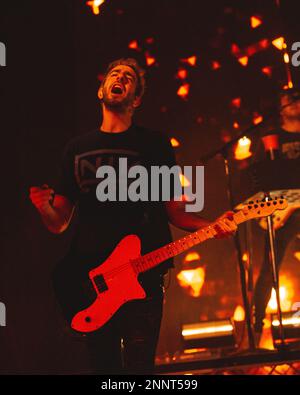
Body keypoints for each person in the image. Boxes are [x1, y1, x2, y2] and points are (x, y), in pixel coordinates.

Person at [29, 58, 237, 374]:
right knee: (103, 367)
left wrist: (212, 225)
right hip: (93, 281)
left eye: (128, 78)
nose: (121, 79)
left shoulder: (154, 144)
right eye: (115, 74)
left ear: (135, 99)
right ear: (101, 90)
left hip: (142, 277)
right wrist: (45, 206)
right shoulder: (77, 148)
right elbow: (59, 222)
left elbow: (175, 211)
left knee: (139, 369)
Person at [252, 88, 300, 340]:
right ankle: (257, 326)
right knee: (270, 266)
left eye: (298, 99)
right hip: (282, 209)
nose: (294, 103)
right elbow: (259, 177)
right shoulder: (271, 137)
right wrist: (267, 210)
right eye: (289, 100)